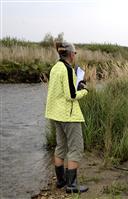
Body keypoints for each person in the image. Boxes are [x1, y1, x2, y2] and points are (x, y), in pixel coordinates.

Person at [45, 42, 89, 193]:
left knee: (61, 146)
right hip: (68, 116)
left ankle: (61, 181)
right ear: (71, 54)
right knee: (76, 148)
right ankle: (71, 186)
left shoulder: (55, 67)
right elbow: (71, 95)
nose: (74, 56)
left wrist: (76, 87)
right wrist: (84, 90)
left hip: (55, 114)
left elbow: (61, 91)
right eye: (75, 53)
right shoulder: (67, 69)